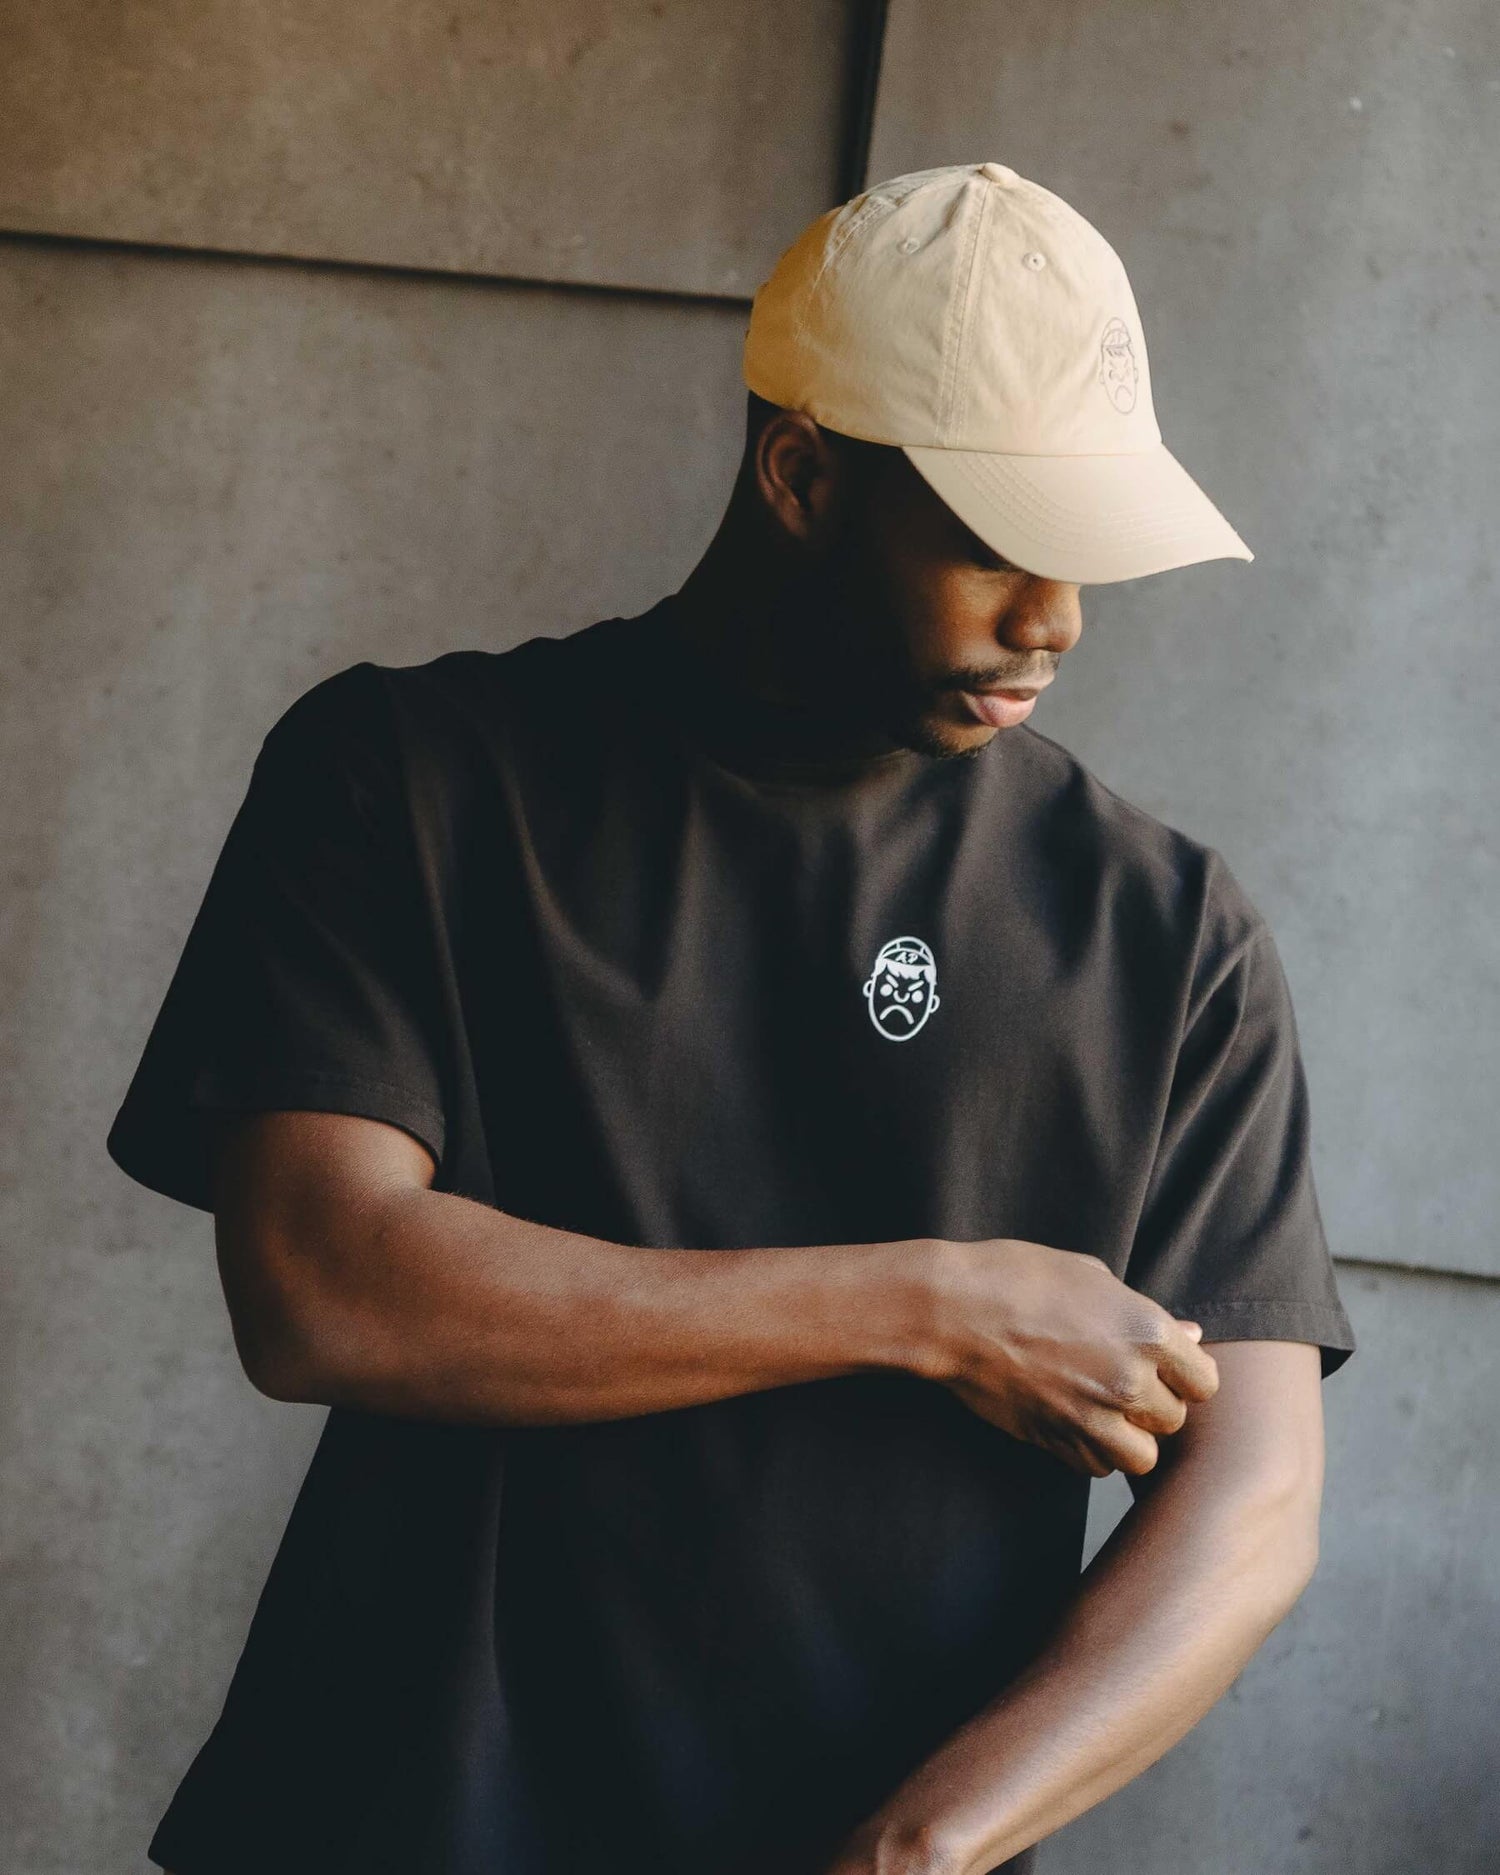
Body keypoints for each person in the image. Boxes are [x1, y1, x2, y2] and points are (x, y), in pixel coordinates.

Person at [107, 160, 1356, 1875]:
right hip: (390, 1827)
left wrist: (925, 1845)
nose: (1053, 621)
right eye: (1000, 542)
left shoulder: (1165, 930)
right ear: (802, 473)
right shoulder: (410, 778)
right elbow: (323, 1288)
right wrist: (930, 1302)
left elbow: (1257, 1499)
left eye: (1089, 555)